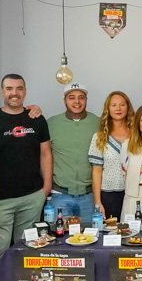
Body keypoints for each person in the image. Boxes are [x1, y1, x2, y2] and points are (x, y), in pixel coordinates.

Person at [0, 74, 51, 254]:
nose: (14, 93)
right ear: (2, 92)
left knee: (28, 248)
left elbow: (46, 154)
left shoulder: (37, 119)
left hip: (32, 196)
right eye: (9, 89)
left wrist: (46, 188)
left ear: (25, 92)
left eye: (19, 88)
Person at [47, 82, 100, 221]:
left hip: (90, 196)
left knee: (91, 237)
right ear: (64, 100)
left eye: (81, 97)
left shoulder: (98, 123)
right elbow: (43, 156)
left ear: (86, 100)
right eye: (71, 97)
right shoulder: (51, 123)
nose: (77, 101)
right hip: (59, 195)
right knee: (59, 238)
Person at [89, 90, 133, 220]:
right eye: (113, 105)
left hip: (132, 194)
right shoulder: (100, 137)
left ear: (128, 107)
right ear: (108, 108)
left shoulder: (137, 134)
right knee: (111, 235)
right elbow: (97, 171)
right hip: (109, 195)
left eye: (122, 105)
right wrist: (98, 202)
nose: (118, 108)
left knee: (133, 234)